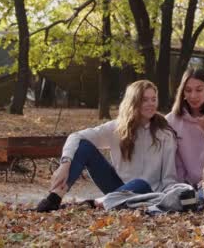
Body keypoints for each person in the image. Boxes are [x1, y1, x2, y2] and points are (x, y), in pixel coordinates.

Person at [36, 80, 178, 212]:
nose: (151, 104)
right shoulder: (117, 128)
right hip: (118, 188)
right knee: (84, 146)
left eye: (153, 99)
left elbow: (168, 177)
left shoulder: (164, 134)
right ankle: (53, 199)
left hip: (147, 194)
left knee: (139, 183)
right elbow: (76, 136)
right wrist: (65, 164)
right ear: (133, 102)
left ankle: (93, 203)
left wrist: (167, 201)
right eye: (145, 100)